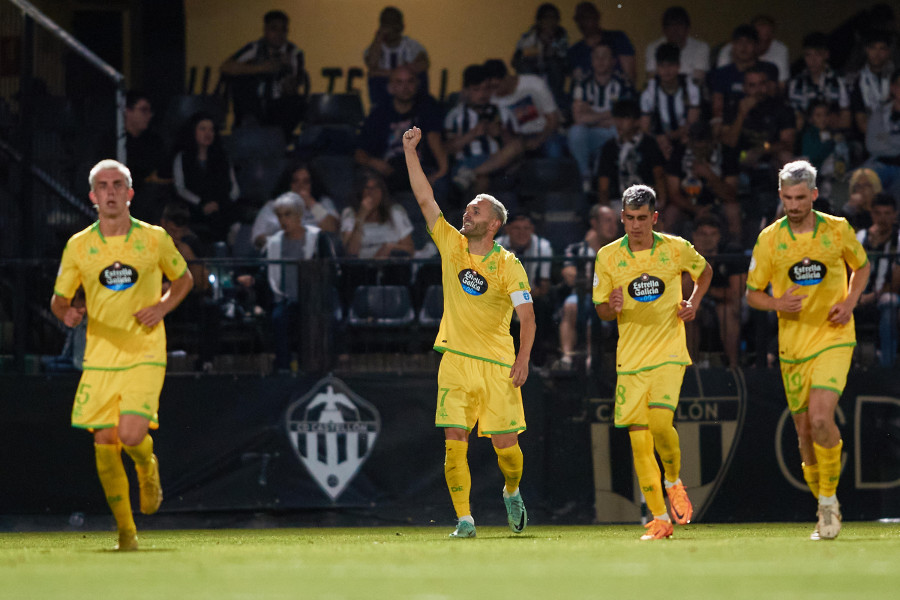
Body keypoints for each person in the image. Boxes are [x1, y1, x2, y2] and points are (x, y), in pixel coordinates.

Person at [50, 159, 193, 550]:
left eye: (117, 185)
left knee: (131, 436)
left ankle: (148, 468)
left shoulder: (154, 238)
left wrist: (162, 307)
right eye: (103, 186)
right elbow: (59, 300)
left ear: (129, 194)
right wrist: (69, 313)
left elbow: (183, 279)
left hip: (145, 348)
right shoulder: (79, 245)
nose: (110, 192)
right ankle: (126, 533)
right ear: (93, 197)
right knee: (104, 441)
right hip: (100, 353)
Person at [403, 125, 536, 539]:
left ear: (494, 224)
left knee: (507, 451)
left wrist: (523, 359)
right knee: (454, 442)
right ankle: (465, 520)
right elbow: (425, 198)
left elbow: (527, 317)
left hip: (498, 365)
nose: (467, 213)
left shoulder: (508, 264)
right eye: (467, 209)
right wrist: (410, 151)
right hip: (456, 360)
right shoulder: (452, 245)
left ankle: (511, 490)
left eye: (476, 211)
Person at [746, 160, 870, 540]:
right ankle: (823, 506)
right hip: (793, 346)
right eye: (787, 198)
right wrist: (776, 303)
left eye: (800, 198)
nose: (794, 205)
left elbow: (860, 267)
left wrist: (849, 301)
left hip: (833, 336)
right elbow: (752, 294)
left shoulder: (837, 230)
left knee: (819, 419)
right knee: (804, 435)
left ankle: (830, 502)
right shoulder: (770, 239)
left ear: (814, 195)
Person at [593, 183, 712, 540]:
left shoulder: (675, 248)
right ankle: (659, 519)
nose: (635, 226)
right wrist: (610, 308)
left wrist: (694, 301)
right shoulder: (608, 256)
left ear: (654, 217)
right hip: (629, 361)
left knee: (661, 425)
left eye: (642, 218)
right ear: (622, 218)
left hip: (668, 354)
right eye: (629, 218)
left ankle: (673, 480)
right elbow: (600, 309)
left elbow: (704, 272)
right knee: (639, 442)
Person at [264, 193, 337, 373]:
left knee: (316, 321)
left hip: (313, 301)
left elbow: (330, 270)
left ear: (299, 215)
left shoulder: (317, 238)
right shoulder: (273, 243)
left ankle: (316, 370)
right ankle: (283, 368)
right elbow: (263, 273)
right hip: (285, 299)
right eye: (279, 215)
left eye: (287, 214)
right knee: (278, 318)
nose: (283, 220)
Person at [354, 65, 448, 197]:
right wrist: (374, 162)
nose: (405, 87)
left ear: (417, 84)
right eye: (399, 82)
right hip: (389, 171)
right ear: (390, 87)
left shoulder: (427, 106)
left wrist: (441, 171)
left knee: (441, 185)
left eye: (410, 81)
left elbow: (435, 138)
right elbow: (360, 152)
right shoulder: (379, 113)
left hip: (421, 169)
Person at [220, 10, 306, 137]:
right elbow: (226, 67)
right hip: (253, 103)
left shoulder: (294, 53)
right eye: (274, 29)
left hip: (278, 105)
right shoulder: (254, 48)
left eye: (283, 30)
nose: (279, 34)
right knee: (241, 81)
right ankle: (249, 128)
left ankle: (280, 140)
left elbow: (292, 90)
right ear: (265, 30)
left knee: (298, 103)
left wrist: (288, 69)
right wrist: (260, 68)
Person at [554, 204, 619, 370]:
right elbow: (569, 275)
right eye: (607, 221)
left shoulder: (622, 251)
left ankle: (592, 360)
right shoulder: (577, 249)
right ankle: (567, 358)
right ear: (594, 223)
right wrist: (600, 283)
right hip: (582, 297)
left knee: (598, 310)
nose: (612, 226)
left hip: (612, 300)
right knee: (570, 305)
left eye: (615, 221)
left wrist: (588, 281)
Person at [444, 64, 523, 196]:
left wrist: (499, 134)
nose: (483, 94)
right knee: (482, 180)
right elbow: (446, 149)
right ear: (466, 91)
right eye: (477, 90)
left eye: (486, 89)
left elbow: (515, 148)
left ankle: (472, 174)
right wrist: (472, 134)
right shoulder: (455, 115)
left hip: (495, 161)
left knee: (518, 145)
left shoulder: (502, 112)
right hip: (467, 161)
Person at [567, 41, 634, 192]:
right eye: (596, 57)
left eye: (605, 56)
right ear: (591, 60)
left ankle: (606, 180)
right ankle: (585, 176)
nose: (600, 60)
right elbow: (578, 119)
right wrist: (609, 114)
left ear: (613, 61)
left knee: (620, 132)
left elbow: (624, 120)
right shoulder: (581, 83)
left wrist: (590, 113)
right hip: (592, 134)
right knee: (575, 132)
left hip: (612, 133)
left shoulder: (624, 83)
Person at [95, 90, 169, 223]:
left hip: (149, 196)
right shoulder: (110, 141)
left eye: (149, 111)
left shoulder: (154, 140)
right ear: (127, 111)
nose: (149, 116)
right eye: (143, 110)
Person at [171, 111, 241, 245]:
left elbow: (234, 189)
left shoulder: (223, 157)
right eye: (203, 129)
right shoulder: (182, 158)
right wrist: (201, 203)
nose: (208, 133)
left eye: (211, 130)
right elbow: (180, 188)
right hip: (194, 208)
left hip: (222, 207)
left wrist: (220, 204)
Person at [686, 215, 746, 368]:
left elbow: (735, 294)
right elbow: (682, 289)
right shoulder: (685, 252)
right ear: (694, 236)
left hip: (730, 305)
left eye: (712, 234)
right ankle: (691, 367)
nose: (708, 239)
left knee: (726, 311)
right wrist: (697, 258)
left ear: (719, 236)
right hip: (696, 301)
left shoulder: (731, 252)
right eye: (702, 234)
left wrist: (705, 289)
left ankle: (733, 367)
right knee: (688, 311)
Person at [483, 59, 564, 159]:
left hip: (545, 133)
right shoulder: (491, 97)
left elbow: (553, 120)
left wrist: (538, 140)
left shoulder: (534, 84)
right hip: (517, 139)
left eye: (495, 86)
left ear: (506, 77)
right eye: (489, 87)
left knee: (553, 147)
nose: (493, 91)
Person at [855, 192, 900, 367]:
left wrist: (870, 297)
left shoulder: (898, 239)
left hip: (885, 294)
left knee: (890, 303)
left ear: (895, 214)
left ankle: (886, 367)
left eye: (887, 214)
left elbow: (895, 283)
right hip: (860, 293)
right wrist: (856, 296)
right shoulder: (861, 237)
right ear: (872, 214)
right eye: (879, 213)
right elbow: (851, 272)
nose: (883, 218)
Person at [251, 162, 340, 250]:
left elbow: (332, 228)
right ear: (288, 184)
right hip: (281, 256)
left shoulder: (323, 202)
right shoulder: (272, 206)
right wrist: (285, 242)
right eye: (295, 181)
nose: (300, 186)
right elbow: (258, 238)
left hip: (315, 259)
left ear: (312, 184)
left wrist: (311, 203)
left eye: (306, 182)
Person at [708, 25, 780, 131]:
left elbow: (772, 97)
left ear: (756, 46)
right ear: (733, 45)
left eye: (749, 42)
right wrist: (718, 122)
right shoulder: (721, 73)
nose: (744, 47)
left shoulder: (768, 69)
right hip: (731, 124)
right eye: (739, 42)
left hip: (763, 123)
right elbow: (718, 103)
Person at [596, 98, 666, 207]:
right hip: (618, 202)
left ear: (637, 121)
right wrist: (605, 208)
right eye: (617, 118)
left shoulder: (649, 144)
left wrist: (662, 203)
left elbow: (659, 175)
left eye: (625, 118)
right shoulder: (609, 148)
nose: (620, 123)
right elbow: (603, 185)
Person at [639, 42, 701, 161]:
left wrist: (670, 136)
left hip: (684, 137)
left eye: (671, 65)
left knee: (689, 140)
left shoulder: (691, 88)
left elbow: (692, 125)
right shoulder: (649, 92)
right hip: (659, 139)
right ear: (657, 67)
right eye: (662, 66)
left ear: (678, 66)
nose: (666, 70)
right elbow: (645, 129)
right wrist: (658, 139)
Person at [364, 6, 430, 108]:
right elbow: (371, 65)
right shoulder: (375, 47)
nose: (390, 28)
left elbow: (423, 65)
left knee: (412, 78)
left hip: (412, 99)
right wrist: (378, 38)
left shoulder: (412, 46)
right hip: (383, 99)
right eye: (386, 24)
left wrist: (385, 73)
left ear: (401, 26)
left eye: (393, 23)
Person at [511, 3, 569, 109]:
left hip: (552, 76)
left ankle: (555, 103)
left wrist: (551, 46)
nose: (551, 22)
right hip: (533, 70)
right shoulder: (530, 35)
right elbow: (519, 57)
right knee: (525, 65)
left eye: (554, 18)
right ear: (539, 21)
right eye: (547, 18)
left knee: (554, 63)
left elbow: (562, 54)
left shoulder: (560, 34)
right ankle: (531, 100)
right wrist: (541, 46)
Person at [567, 2, 636, 84]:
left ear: (597, 17)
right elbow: (576, 83)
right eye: (581, 19)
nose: (584, 22)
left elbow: (630, 76)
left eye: (588, 17)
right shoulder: (574, 51)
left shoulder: (618, 39)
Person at [716, 15, 789, 88]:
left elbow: (780, 86)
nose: (761, 44)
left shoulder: (774, 62)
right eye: (758, 38)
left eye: (766, 39)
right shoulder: (728, 50)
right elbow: (720, 80)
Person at [644, 6, 710, 85]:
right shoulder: (653, 48)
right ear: (664, 29)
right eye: (671, 25)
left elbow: (698, 80)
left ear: (687, 28)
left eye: (679, 25)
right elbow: (652, 78)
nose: (675, 30)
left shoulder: (701, 48)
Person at [863, 68, 900, 198]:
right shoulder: (879, 113)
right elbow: (872, 145)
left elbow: (882, 142)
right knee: (862, 180)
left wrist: (887, 138)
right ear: (893, 88)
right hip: (880, 164)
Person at [849, 31, 894, 136]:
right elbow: (861, 122)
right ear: (866, 50)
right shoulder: (858, 81)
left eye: (882, 49)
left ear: (888, 52)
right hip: (873, 139)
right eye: (873, 48)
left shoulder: (896, 78)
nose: (877, 54)